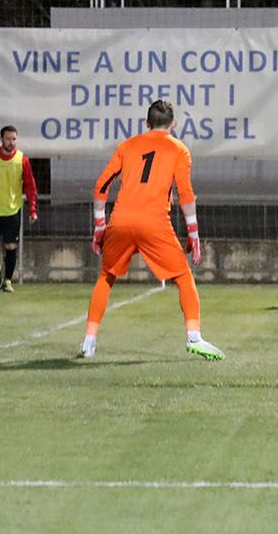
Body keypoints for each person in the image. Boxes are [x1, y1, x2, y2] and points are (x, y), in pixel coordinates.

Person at [80, 100, 220, 360]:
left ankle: (89, 340)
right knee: (183, 277)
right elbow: (185, 194)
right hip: (154, 223)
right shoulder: (179, 150)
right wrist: (194, 234)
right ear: (173, 124)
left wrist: (100, 226)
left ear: (147, 123)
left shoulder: (127, 145)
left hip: (120, 220)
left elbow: (101, 186)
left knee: (106, 277)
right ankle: (194, 337)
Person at [0, 125, 38, 292]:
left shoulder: (22, 160)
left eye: (14, 139)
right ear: (1, 140)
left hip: (12, 210)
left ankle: (7, 281)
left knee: (11, 247)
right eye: (8, 139)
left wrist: (33, 209)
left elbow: (30, 186)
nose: (11, 142)